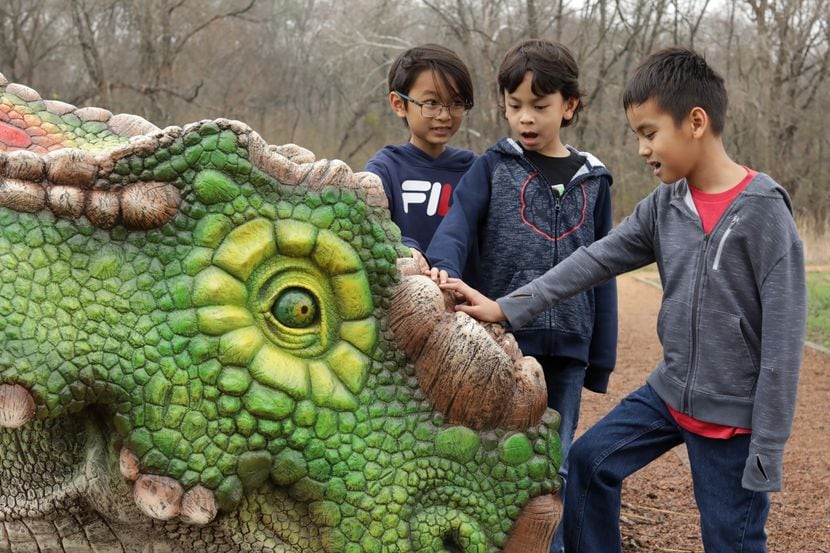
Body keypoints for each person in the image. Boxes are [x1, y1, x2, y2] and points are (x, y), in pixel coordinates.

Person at [440, 47, 807, 553]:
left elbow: (785, 344)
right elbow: (591, 261)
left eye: (649, 133)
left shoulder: (764, 213)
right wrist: (507, 307)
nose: (641, 149)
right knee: (590, 463)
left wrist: (767, 445)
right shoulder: (664, 206)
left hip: (732, 421)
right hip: (668, 396)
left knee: (730, 539)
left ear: (695, 122)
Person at [425, 38, 618, 551]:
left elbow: (605, 268)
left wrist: (600, 357)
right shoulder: (493, 166)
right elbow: (457, 225)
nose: (525, 119)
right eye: (515, 107)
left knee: (553, 462)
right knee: (497, 455)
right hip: (503, 342)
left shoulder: (595, 180)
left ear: (570, 106)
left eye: (540, 106)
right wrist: (442, 269)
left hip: (570, 347)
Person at [365, 44, 476, 272]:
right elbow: (370, 232)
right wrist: (404, 248)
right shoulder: (384, 170)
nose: (444, 115)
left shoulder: (474, 171)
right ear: (399, 104)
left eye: (456, 103)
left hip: (467, 301)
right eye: (431, 103)